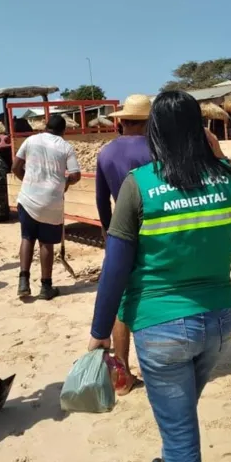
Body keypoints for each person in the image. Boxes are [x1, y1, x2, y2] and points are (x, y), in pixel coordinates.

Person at [88, 90, 231, 462]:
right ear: (201, 131)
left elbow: (115, 267)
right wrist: (220, 156)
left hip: (161, 326)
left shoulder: (140, 184)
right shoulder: (223, 181)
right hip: (218, 322)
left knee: (180, 433)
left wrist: (99, 331)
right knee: (180, 414)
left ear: (154, 132)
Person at [95, 94, 153, 395]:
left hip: (122, 233)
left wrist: (110, 233)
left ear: (123, 121)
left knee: (119, 299)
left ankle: (123, 376)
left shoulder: (106, 153)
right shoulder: (158, 150)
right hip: (156, 231)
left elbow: (102, 202)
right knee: (153, 292)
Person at [12, 115, 81, 300]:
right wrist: (64, 183)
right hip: (51, 201)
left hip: (27, 199)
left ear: (45, 126)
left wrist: (28, 181)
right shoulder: (65, 147)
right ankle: (46, 287)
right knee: (46, 243)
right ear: (63, 131)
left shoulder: (30, 140)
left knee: (27, 237)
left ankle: (23, 282)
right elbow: (76, 175)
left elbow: (15, 167)